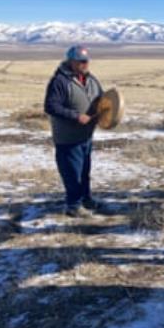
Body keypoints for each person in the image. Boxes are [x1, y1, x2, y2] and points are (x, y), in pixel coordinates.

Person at [44, 45, 104, 217]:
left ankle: (86, 199)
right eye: (81, 61)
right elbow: (51, 106)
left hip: (86, 136)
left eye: (86, 61)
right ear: (71, 61)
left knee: (85, 173)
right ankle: (73, 206)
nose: (85, 64)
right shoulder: (60, 81)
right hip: (68, 138)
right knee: (72, 174)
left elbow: (102, 99)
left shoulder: (92, 80)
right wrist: (76, 116)